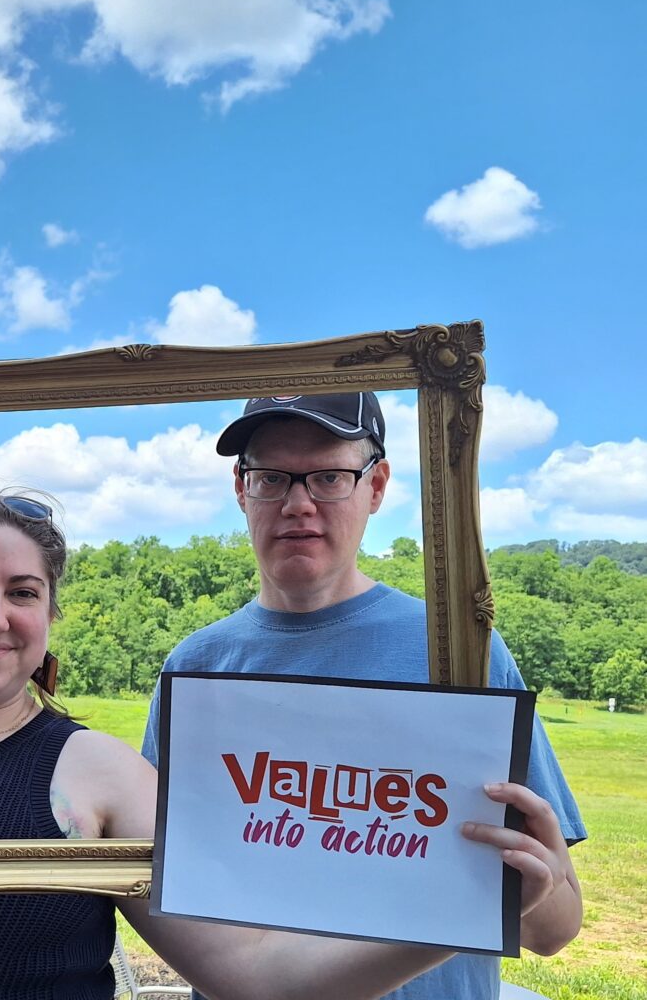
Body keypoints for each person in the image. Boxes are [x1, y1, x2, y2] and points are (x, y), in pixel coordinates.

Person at [0, 490, 573, 1000]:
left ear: (50, 620)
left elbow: (251, 977)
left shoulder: (99, 771)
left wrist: (453, 914)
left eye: (22, 592)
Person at [141, 393, 585, 1000]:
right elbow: (166, 886)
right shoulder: (196, 669)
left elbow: (555, 931)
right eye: (271, 478)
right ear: (241, 490)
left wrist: (532, 893)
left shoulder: (458, 654)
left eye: (329, 477)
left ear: (375, 486)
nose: (298, 504)